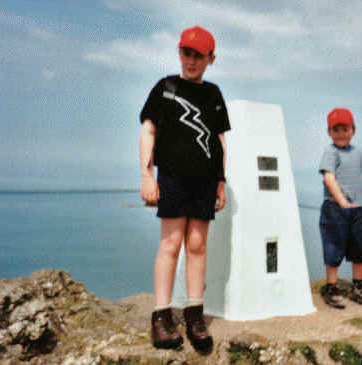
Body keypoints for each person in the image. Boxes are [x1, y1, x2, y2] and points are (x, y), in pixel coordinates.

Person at [139, 25, 230, 353]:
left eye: (199, 55)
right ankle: (161, 317)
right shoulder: (165, 88)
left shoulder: (214, 94)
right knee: (171, 243)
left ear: (210, 58)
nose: (192, 60)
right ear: (179, 52)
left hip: (205, 180)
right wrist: (147, 176)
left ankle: (194, 313)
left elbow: (219, 140)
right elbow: (148, 130)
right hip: (173, 177)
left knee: (197, 245)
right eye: (186, 53)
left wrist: (221, 181)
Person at [318, 107, 362, 309]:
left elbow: (356, 174)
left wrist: (353, 203)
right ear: (329, 132)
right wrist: (341, 200)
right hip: (335, 208)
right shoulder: (330, 152)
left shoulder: (357, 152)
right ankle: (331, 287)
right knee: (333, 247)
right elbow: (328, 178)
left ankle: (357, 286)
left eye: (345, 129)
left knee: (361, 247)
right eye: (336, 130)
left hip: (356, 208)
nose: (341, 134)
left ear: (353, 130)